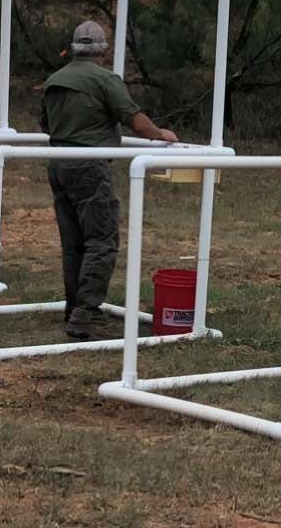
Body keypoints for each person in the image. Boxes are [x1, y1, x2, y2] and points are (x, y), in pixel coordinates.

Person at [38, 21, 178, 340]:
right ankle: (86, 313)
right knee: (102, 240)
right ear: (103, 49)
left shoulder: (54, 79)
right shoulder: (105, 79)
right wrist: (160, 134)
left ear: (74, 47)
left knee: (73, 242)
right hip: (89, 167)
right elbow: (135, 120)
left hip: (58, 165)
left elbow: (45, 123)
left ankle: (74, 307)